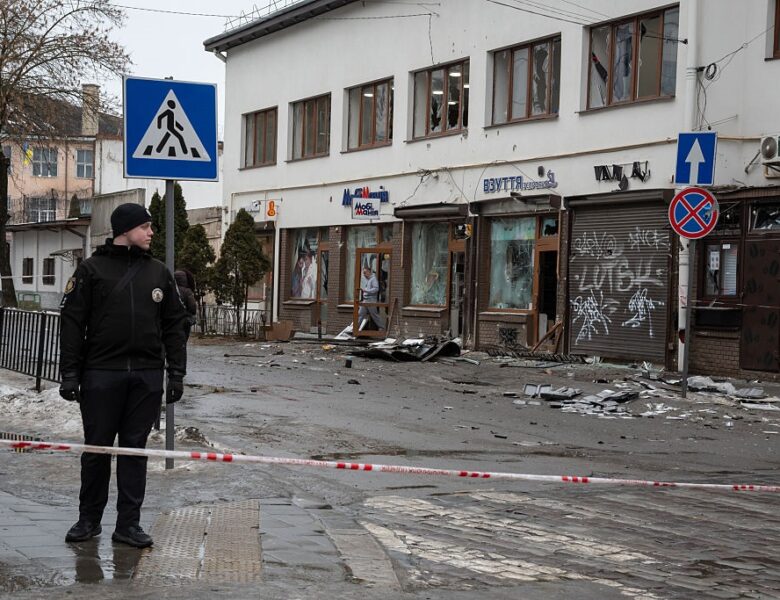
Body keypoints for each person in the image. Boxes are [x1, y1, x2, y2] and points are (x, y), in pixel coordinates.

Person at [59, 202, 187, 549]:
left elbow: (175, 325)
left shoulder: (158, 273)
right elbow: (72, 324)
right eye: (145, 226)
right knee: (96, 450)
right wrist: (69, 373)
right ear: (125, 229)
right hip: (101, 374)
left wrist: (176, 373)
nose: (151, 232)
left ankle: (129, 525)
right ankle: (88, 520)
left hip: (145, 377)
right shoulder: (91, 270)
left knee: (134, 452)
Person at [358, 266, 385, 330]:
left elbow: (376, 289)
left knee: (374, 315)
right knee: (360, 314)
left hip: (370, 300)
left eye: (365, 273)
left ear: (369, 272)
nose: (364, 274)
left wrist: (366, 290)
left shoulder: (373, 279)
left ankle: (382, 328)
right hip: (366, 300)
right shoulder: (369, 279)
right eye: (363, 273)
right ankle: (355, 328)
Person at [174, 269, 198, 339]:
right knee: (183, 338)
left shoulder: (170, 289)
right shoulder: (187, 291)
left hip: (172, 321)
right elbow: (192, 307)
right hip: (184, 320)